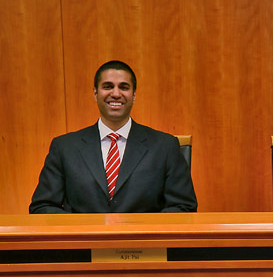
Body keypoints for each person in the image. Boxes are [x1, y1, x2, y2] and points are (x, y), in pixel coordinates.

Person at [30, 60, 198, 213]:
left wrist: (141, 231)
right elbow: (42, 207)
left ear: (134, 95)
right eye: (108, 86)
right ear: (95, 93)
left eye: (124, 87)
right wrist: (82, 230)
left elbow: (183, 208)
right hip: (84, 243)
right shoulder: (64, 147)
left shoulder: (165, 146)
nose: (116, 94)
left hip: (145, 244)